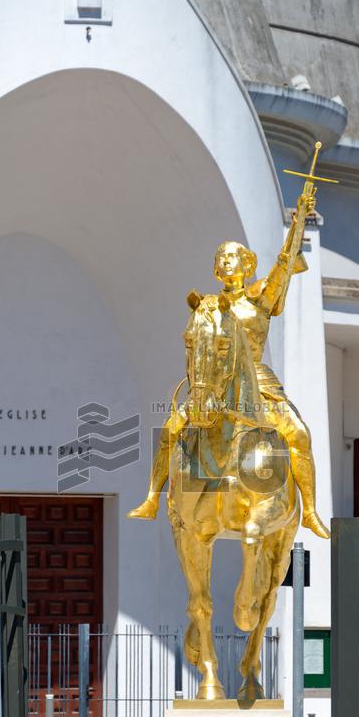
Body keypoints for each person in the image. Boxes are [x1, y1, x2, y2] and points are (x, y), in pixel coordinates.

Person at [128, 195, 330, 539]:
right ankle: (152, 498)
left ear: (247, 265)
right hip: (215, 383)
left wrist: (298, 222)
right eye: (220, 258)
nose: (224, 261)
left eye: (232, 256)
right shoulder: (208, 306)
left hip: (259, 381)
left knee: (298, 433)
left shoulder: (260, 297)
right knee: (170, 428)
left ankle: (309, 510)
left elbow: (283, 267)